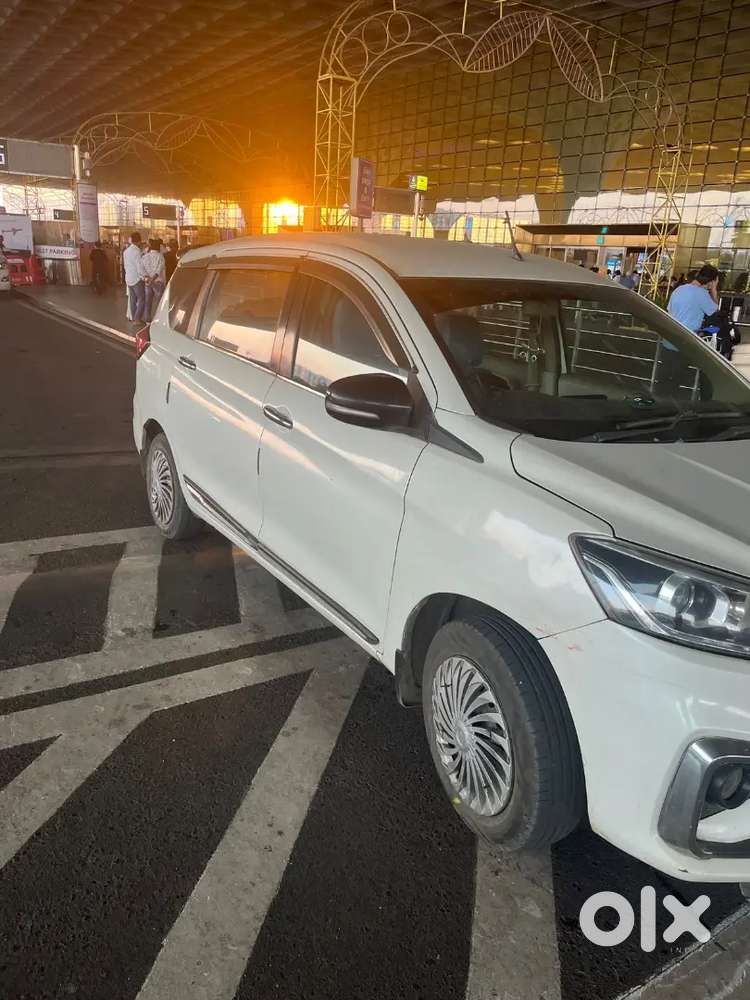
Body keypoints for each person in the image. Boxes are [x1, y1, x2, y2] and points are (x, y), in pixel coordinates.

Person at [667, 264, 719, 333]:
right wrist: (714, 290)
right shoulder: (702, 294)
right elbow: (714, 311)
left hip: (670, 334)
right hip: (686, 338)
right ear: (711, 282)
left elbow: (669, 310)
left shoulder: (679, 289)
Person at [139, 237, 166, 322]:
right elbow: (159, 270)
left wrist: (147, 278)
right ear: (158, 247)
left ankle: (147, 320)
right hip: (158, 282)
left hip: (147, 283)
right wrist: (152, 279)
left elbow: (141, 269)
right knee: (159, 303)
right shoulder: (160, 257)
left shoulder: (144, 257)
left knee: (148, 301)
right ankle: (158, 320)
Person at [123, 232, 145, 322]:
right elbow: (139, 267)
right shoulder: (137, 252)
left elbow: (125, 265)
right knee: (141, 299)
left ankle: (133, 318)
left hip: (128, 278)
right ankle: (137, 319)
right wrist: (145, 276)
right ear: (139, 241)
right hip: (136, 278)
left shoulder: (126, 251)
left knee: (132, 299)